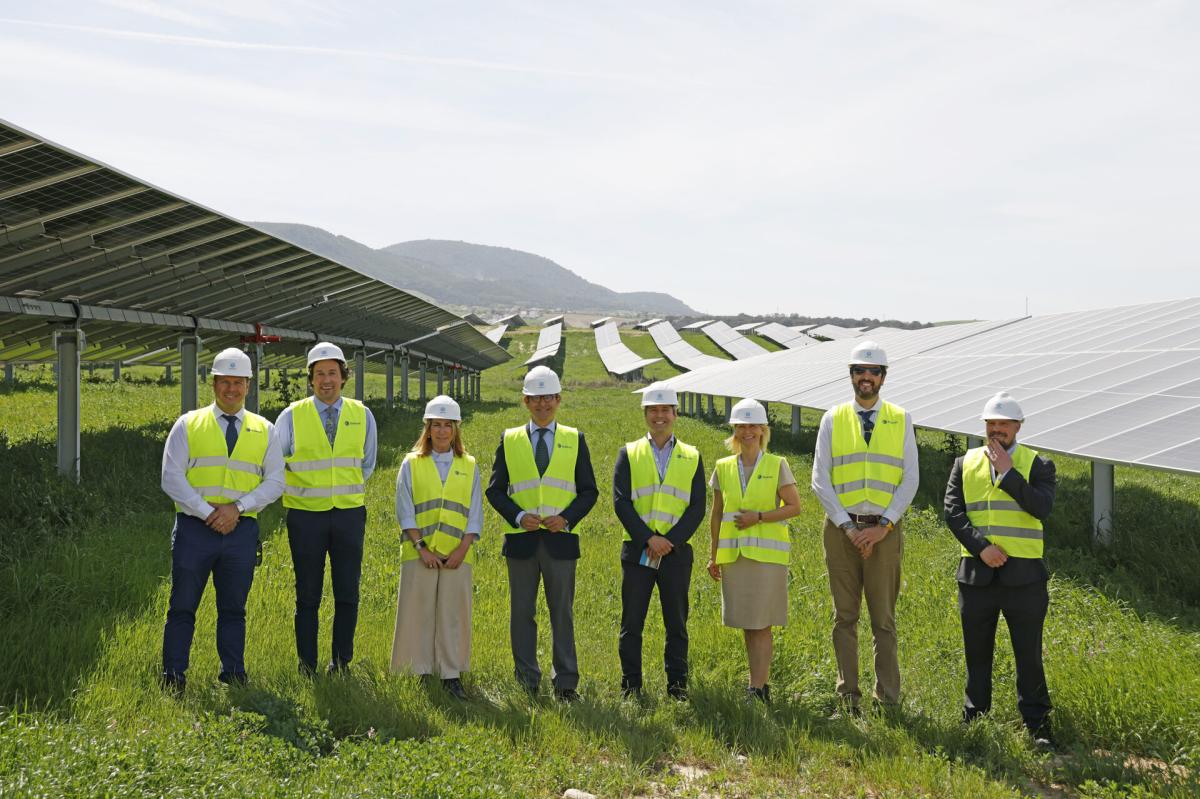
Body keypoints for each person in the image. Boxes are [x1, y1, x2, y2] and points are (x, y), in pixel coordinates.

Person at [160, 348, 284, 692]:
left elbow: (276, 481)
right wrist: (208, 512)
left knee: (234, 608)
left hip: (241, 530)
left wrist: (238, 508)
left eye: (238, 382)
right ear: (213, 383)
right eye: (224, 382)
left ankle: (233, 673)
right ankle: (174, 675)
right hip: (193, 530)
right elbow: (171, 477)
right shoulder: (188, 425)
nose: (231, 389)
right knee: (182, 605)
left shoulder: (265, 430)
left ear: (248, 385)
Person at [810, 340, 918, 714]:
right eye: (859, 371)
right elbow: (820, 479)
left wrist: (884, 525)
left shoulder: (900, 419)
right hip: (842, 532)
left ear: (883, 378)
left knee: (883, 620)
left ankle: (887, 698)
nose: (866, 378)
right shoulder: (832, 418)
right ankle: (848, 696)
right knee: (845, 617)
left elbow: (910, 479)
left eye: (873, 372)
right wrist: (848, 527)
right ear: (851, 376)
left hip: (884, 533)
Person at [944, 392, 1057, 746]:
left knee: (1029, 655)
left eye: (1003, 424)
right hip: (977, 576)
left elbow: (1041, 508)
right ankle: (975, 718)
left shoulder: (1038, 464)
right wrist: (982, 548)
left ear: (1017, 427)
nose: (995, 430)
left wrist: (1008, 474)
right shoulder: (964, 463)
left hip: (1024, 579)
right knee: (977, 654)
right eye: (990, 424)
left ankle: (1037, 726)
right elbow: (953, 512)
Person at [486, 365, 598, 701]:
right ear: (525, 401)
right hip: (521, 542)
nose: (542, 404)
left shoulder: (575, 440)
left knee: (561, 613)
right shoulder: (510, 440)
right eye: (535, 399)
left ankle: (565, 683)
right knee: (522, 613)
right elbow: (495, 491)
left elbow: (589, 491)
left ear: (558, 399)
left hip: (560, 542)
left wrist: (566, 518)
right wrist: (518, 516)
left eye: (548, 397)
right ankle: (527, 680)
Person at [273, 342, 377, 675]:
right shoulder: (291, 416)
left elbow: (367, 463)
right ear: (311, 379)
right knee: (307, 594)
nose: (326, 380)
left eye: (333, 372)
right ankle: (307, 663)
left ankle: (341, 661)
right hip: (305, 517)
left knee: (347, 591)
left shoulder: (362, 415)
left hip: (348, 515)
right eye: (320, 374)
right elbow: (275, 463)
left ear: (343, 377)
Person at [612, 382, 706, 700]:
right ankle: (631, 686)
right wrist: (649, 538)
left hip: (675, 554)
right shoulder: (629, 453)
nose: (659, 416)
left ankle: (677, 687)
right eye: (653, 410)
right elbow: (621, 502)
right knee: (632, 623)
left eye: (665, 409)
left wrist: (670, 541)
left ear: (675, 414)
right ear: (645, 414)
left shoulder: (692, 456)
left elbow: (697, 507)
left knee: (676, 624)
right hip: (639, 551)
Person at [706, 398, 802, 703]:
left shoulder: (777, 465)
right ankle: (755, 684)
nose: (748, 431)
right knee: (748, 623)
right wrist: (713, 555)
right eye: (742, 426)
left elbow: (795, 507)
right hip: (735, 557)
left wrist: (758, 518)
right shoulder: (723, 467)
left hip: (766, 559)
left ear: (763, 430)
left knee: (761, 624)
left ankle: (759, 689)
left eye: (753, 426)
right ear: (735, 430)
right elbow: (717, 514)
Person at [390, 395, 483, 700]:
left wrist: (462, 549)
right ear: (427, 428)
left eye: (448, 425)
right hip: (420, 552)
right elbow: (404, 509)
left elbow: (474, 512)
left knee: (453, 614)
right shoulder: (411, 463)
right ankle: (418, 671)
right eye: (436, 425)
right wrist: (422, 548)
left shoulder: (469, 465)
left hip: (457, 554)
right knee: (417, 612)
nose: (442, 431)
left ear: (456, 429)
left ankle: (451, 674)